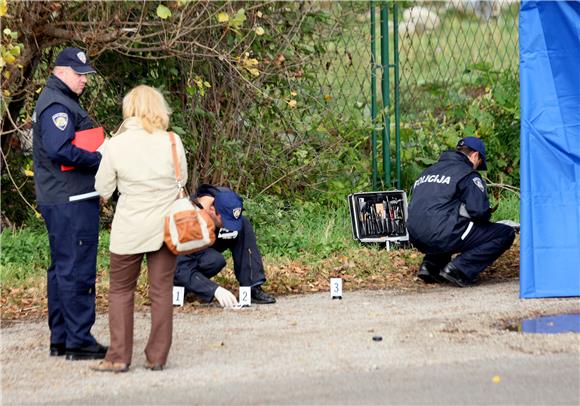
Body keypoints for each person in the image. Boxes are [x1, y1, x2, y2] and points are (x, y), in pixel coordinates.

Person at [92, 85, 187, 373]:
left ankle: (118, 356)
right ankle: (157, 356)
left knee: (121, 291)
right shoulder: (172, 140)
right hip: (165, 227)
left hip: (130, 228)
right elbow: (180, 180)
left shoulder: (115, 145)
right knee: (161, 290)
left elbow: (103, 188)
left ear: (128, 109)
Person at [32, 47, 108, 360]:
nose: (84, 80)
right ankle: (78, 340)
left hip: (65, 197)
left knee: (63, 268)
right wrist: (99, 159)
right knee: (76, 267)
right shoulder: (57, 105)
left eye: (85, 75)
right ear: (60, 71)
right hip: (70, 199)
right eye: (79, 75)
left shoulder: (59, 100)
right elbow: (59, 150)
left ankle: (62, 338)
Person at [407, 137, 515, 287]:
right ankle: (460, 269)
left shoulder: (428, 171)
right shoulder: (467, 174)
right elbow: (480, 212)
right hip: (442, 233)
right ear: (475, 155)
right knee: (505, 233)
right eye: (479, 163)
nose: (477, 167)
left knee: (447, 219)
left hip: (415, 235)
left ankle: (431, 266)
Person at [174, 184, 276, 307]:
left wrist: (228, 225)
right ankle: (180, 288)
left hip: (210, 234)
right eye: (226, 222)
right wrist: (214, 290)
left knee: (243, 224)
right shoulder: (188, 219)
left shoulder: (224, 198)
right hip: (181, 256)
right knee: (214, 261)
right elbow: (180, 268)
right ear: (212, 210)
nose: (229, 226)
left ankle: (252, 287)